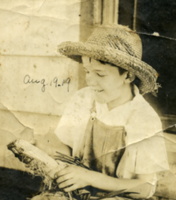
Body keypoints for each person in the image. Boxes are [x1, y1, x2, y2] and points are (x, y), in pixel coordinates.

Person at [34, 24, 169, 200]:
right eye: (87, 71)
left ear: (127, 76)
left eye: (100, 74)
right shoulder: (83, 99)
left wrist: (90, 178)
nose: (90, 80)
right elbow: (63, 143)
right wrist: (63, 169)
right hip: (78, 192)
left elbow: (145, 188)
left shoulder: (143, 118)